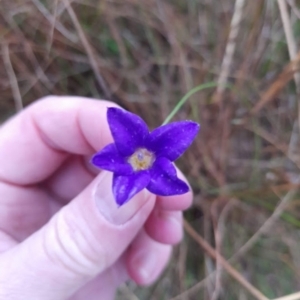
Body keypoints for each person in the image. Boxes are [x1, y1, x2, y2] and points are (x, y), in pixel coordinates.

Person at [0, 96, 192, 300]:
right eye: (139, 158)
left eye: (143, 158)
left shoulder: (158, 151)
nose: (142, 159)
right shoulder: (122, 170)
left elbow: (184, 136)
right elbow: (106, 157)